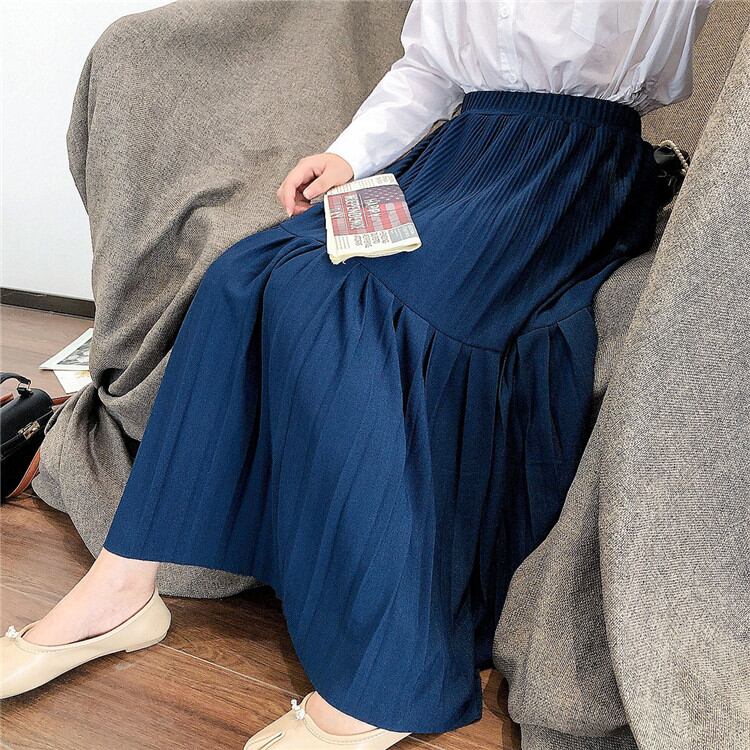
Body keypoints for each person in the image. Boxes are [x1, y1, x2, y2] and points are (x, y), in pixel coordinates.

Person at [1, 1, 713, 747]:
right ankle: (120, 587)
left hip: (568, 171)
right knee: (244, 276)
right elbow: (430, 68)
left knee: (361, 303)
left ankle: (389, 675)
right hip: (457, 153)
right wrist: (348, 156)